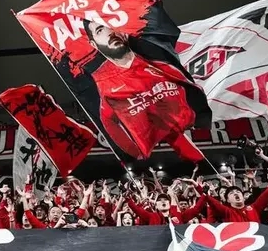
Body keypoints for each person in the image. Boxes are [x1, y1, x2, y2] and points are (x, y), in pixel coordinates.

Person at [83, 19, 199, 160]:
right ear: (93, 44)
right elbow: (108, 120)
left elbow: (186, 83)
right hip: (153, 146)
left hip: (187, 125)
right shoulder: (101, 80)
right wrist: (133, 152)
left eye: (111, 26)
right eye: (100, 30)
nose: (110, 32)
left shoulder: (155, 56)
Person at [204, 169, 268, 222]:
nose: (235, 193)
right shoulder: (227, 212)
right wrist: (203, 191)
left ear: (243, 197)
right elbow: (212, 202)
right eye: (231, 193)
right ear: (227, 200)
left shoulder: (254, 208)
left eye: (238, 191)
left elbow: (267, 193)